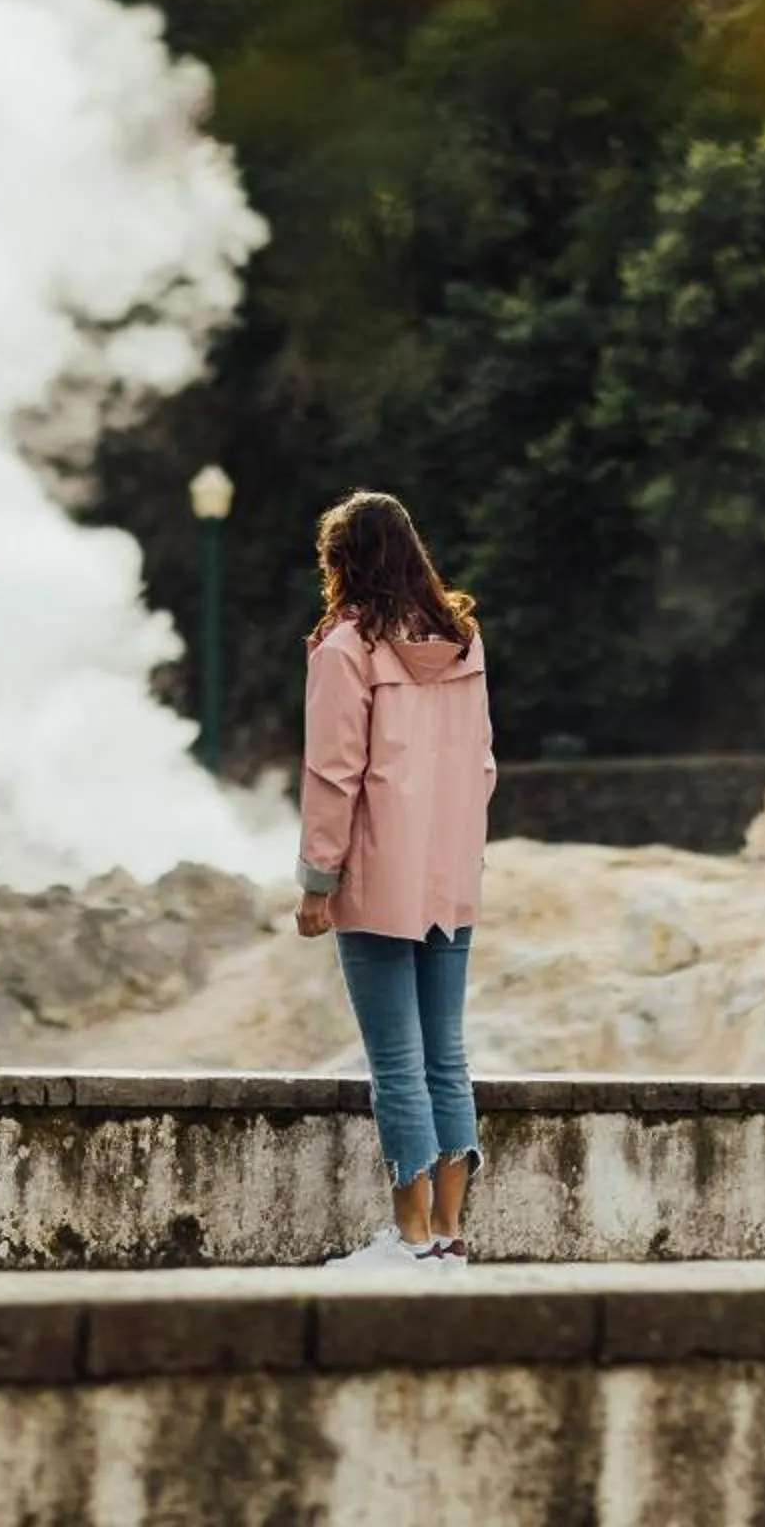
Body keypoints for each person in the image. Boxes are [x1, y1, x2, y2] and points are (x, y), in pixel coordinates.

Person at [294, 490, 496, 1268]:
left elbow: (334, 773)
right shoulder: (463, 643)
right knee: (447, 1057)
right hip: (451, 875)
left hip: (379, 877)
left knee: (398, 1066)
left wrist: (318, 881)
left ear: (342, 563)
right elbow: (483, 764)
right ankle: (448, 1231)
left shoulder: (346, 649)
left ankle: (410, 1239)